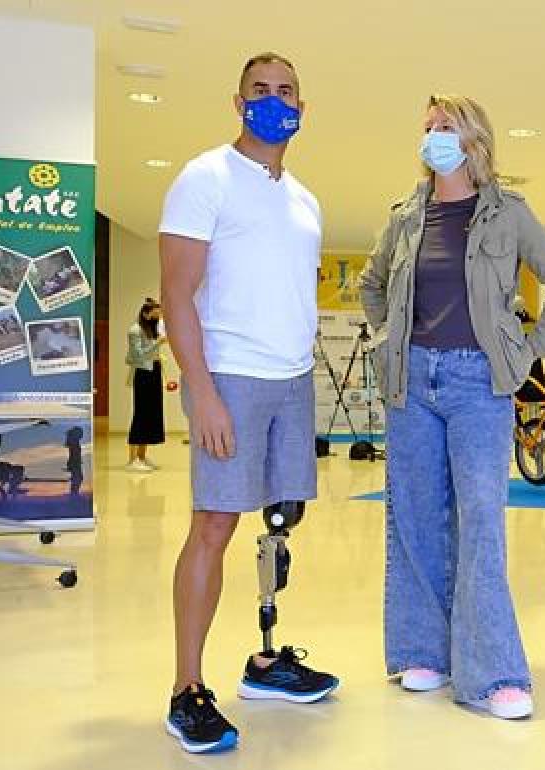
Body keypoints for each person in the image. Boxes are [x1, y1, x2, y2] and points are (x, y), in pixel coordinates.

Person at [360, 94, 545, 720]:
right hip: (413, 382)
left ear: (474, 140)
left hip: (477, 381)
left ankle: (491, 673)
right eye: (427, 126)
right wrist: (386, 340)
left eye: (446, 127)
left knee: (481, 519)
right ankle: (423, 653)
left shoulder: (508, 212)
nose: (433, 136)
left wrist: (525, 350)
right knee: (416, 515)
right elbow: (373, 285)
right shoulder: (406, 214)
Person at [159, 52, 338, 754]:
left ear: (303, 106)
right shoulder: (205, 178)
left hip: (291, 379)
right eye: (259, 91)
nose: (273, 100)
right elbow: (176, 293)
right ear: (238, 103)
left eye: (285, 91)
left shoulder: (305, 197)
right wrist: (201, 392)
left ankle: (264, 663)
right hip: (227, 376)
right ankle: (186, 689)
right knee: (213, 526)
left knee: (278, 521)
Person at [126, 298, 167, 472]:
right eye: (154, 314)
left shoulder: (152, 329)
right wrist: (158, 343)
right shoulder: (135, 330)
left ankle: (142, 456)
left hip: (154, 371)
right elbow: (137, 356)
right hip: (143, 374)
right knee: (141, 414)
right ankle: (132, 459)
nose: (157, 318)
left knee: (152, 413)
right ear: (145, 314)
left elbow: (152, 350)